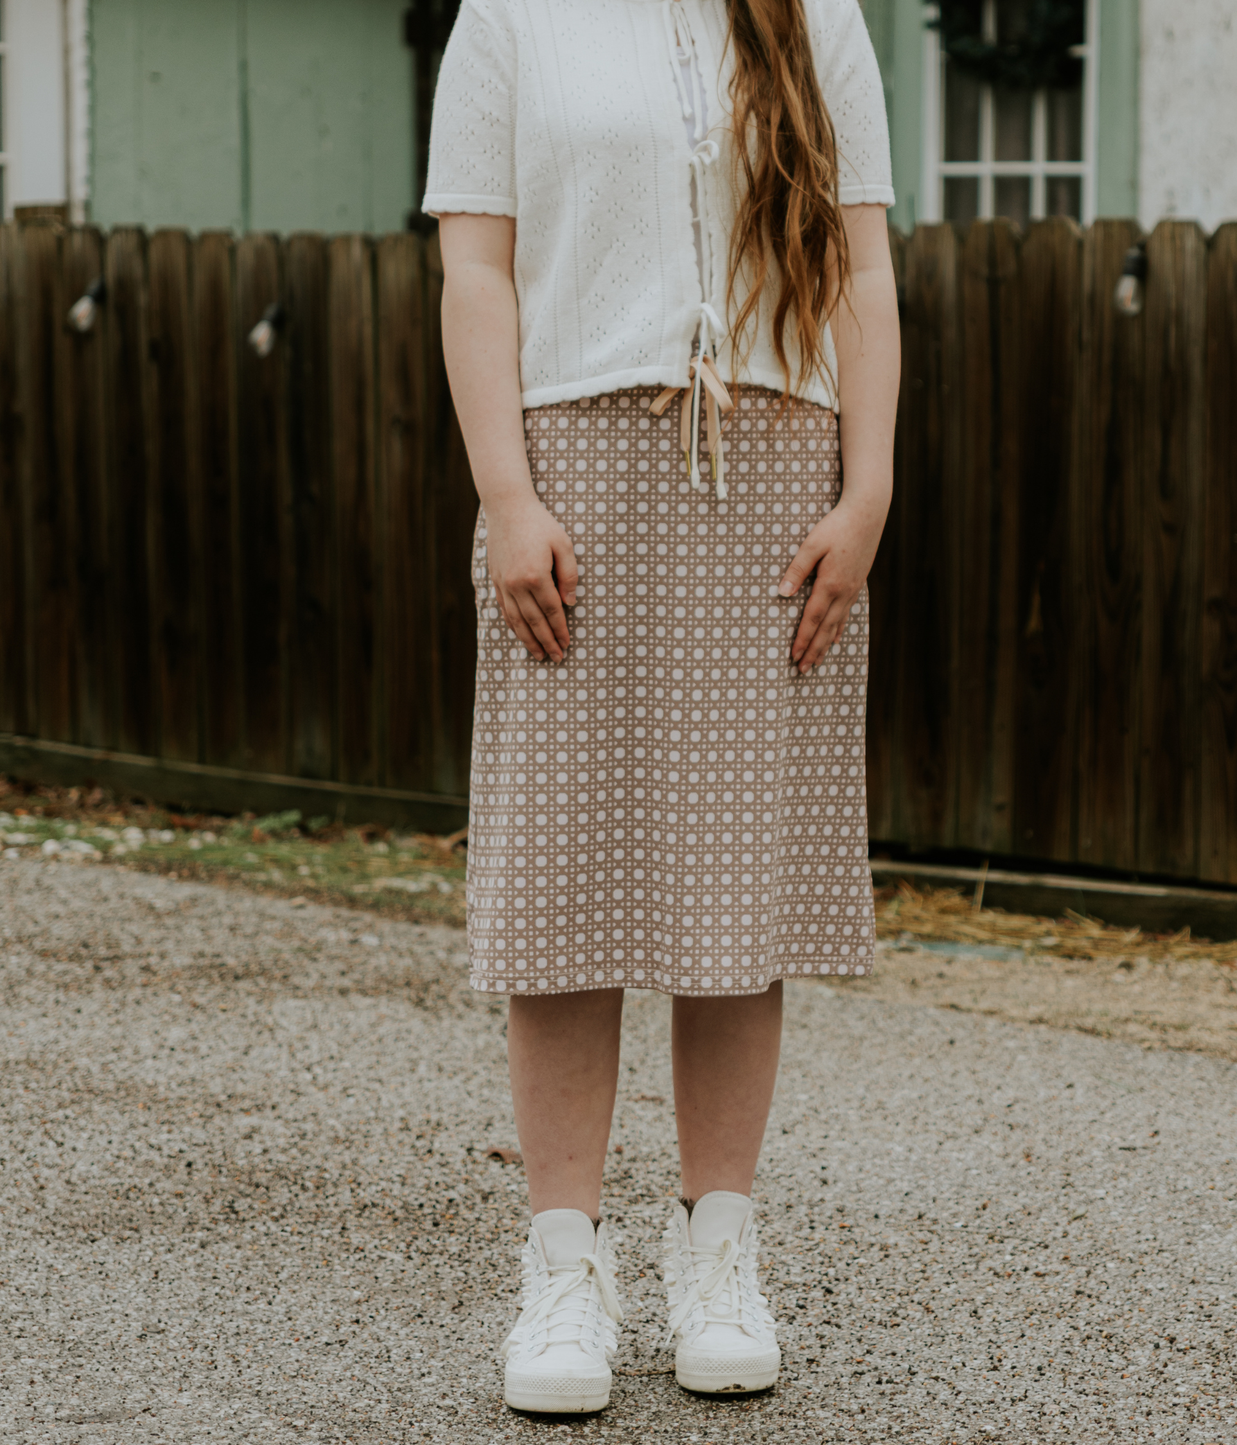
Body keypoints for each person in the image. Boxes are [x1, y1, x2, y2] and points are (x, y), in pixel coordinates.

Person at [424, 0, 898, 1415]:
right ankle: (562, 1269)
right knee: (565, 879)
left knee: (731, 892)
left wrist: (866, 491)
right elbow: (476, 273)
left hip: (776, 483)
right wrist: (507, 494)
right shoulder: (508, 16)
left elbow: (866, 269)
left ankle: (720, 1255)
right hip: (574, 476)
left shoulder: (819, 18)